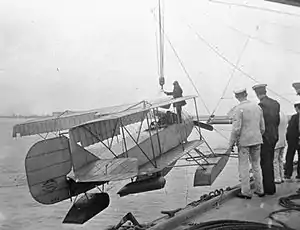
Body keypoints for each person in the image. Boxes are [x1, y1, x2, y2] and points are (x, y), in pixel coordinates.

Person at [228, 88, 265, 199]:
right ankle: (260, 190)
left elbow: (236, 129)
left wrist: (231, 144)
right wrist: (258, 136)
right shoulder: (257, 107)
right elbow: (262, 127)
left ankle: (246, 192)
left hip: (244, 142)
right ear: (246, 94)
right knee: (256, 165)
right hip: (257, 140)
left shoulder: (238, 109)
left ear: (236, 96)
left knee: (244, 167)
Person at [253, 83, 280, 195]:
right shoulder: (275, 103)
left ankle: (268, 189)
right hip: (274, 136)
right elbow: (277, 121)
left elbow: (260, 124)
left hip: (265, 137)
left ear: (257, 93)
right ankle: (271, 187)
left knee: (265, 163)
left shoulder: (261, 105)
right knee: (270, 160)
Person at [284, 101, 300, 180]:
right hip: (296, 140)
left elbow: (290, 129)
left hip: (292, 141)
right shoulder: (294, 117)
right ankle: (299, 174)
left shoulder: (294, 117)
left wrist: (287, 138)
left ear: (297, 108)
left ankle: (288, 173)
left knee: (289, 157)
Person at [273, 111, 288, 184]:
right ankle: (282, 176)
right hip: (283, 141)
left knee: (275, 161)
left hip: (276, 142)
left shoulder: (276, 117)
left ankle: (277, 178)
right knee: (281, 160)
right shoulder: (284, 116)